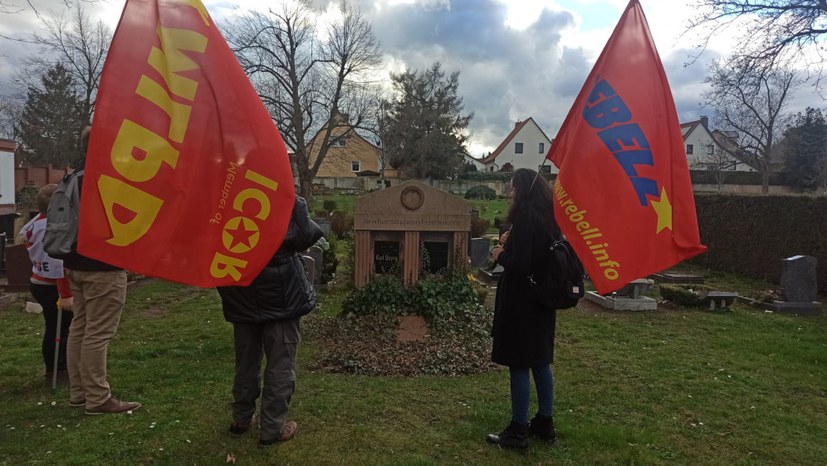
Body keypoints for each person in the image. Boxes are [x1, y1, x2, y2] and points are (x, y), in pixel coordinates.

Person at [217, 195, 323, 449]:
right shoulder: (281, 196)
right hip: (281, 295)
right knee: (280, 362)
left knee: (246, 358)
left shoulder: (221, 195)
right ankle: (272, 428)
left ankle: (241, 419)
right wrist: (295, 202)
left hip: (239, 286)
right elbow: (304, 236)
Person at [64, 125, 141, 415]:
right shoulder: (108, 179)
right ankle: (98, 398)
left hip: (74, 263)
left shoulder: (74, 177)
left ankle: (79, 393)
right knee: (97, 332)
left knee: (80, 327)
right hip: (102, 267)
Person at [487, 168, 559, 449]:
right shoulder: (548, 218)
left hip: (522, 303)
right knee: (540, 362)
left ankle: (518, 431)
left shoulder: (526, 218)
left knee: (519, 363)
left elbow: (522, 265)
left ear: (523, 189)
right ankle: (544, 423)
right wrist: (510, 243)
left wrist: (501, 254)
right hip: (542, 301)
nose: (510, 191)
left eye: (513, 186)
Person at [20, 184, 74, 386]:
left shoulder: (34, 223)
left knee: (55, 327)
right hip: (53, 284)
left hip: (39, 280)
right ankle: (57, 370)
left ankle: (61, 367)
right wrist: (66, 292)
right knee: (59, 330)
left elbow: (25, 241)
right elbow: (59, 263)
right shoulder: (52, 228)